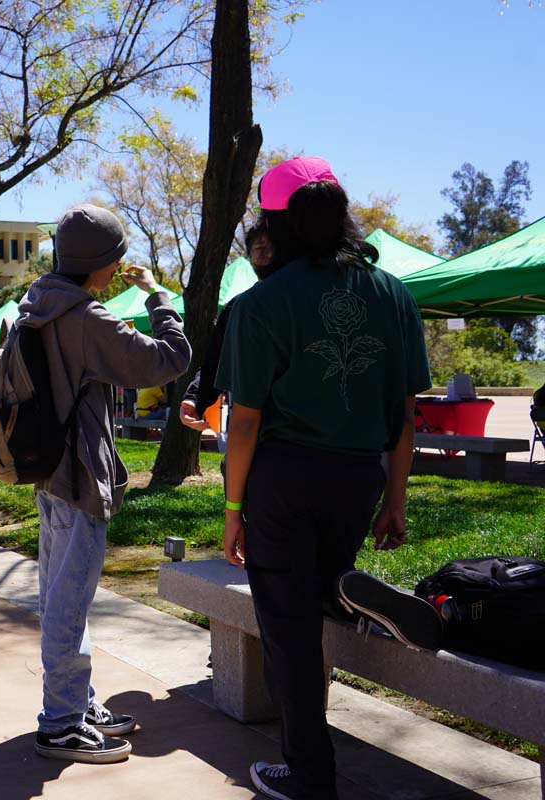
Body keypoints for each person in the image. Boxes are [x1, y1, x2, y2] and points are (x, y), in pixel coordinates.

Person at [215, 157, 433, 800]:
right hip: (359, 477)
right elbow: (404, 417)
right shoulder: (393, 293)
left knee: (288, 630)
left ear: (275, 225)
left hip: (283, 480)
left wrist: (233, 509)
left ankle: (310, 777)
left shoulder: (260, 303)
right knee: (317, 587)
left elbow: (245, 422)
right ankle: (345, 591)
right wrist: (395, 500)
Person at [18, 203, 190, 765]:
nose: (118, 268)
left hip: (47, 471)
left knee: (63, 599)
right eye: (115, 259)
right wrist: (157, 296)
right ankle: (60, 724)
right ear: (101, 262)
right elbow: (169, 359)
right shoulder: (86, 318)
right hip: (78, 477)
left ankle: (76, 703)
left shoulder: (37, 305)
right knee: (69, 606)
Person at [179, 219, 274, 436]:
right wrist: (194, 399)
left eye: (274, 248)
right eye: (260, 248)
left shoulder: (307, 300)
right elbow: (215, 362)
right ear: (250, 256)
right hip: (252, 428)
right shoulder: (239, 307)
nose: (267, 254)